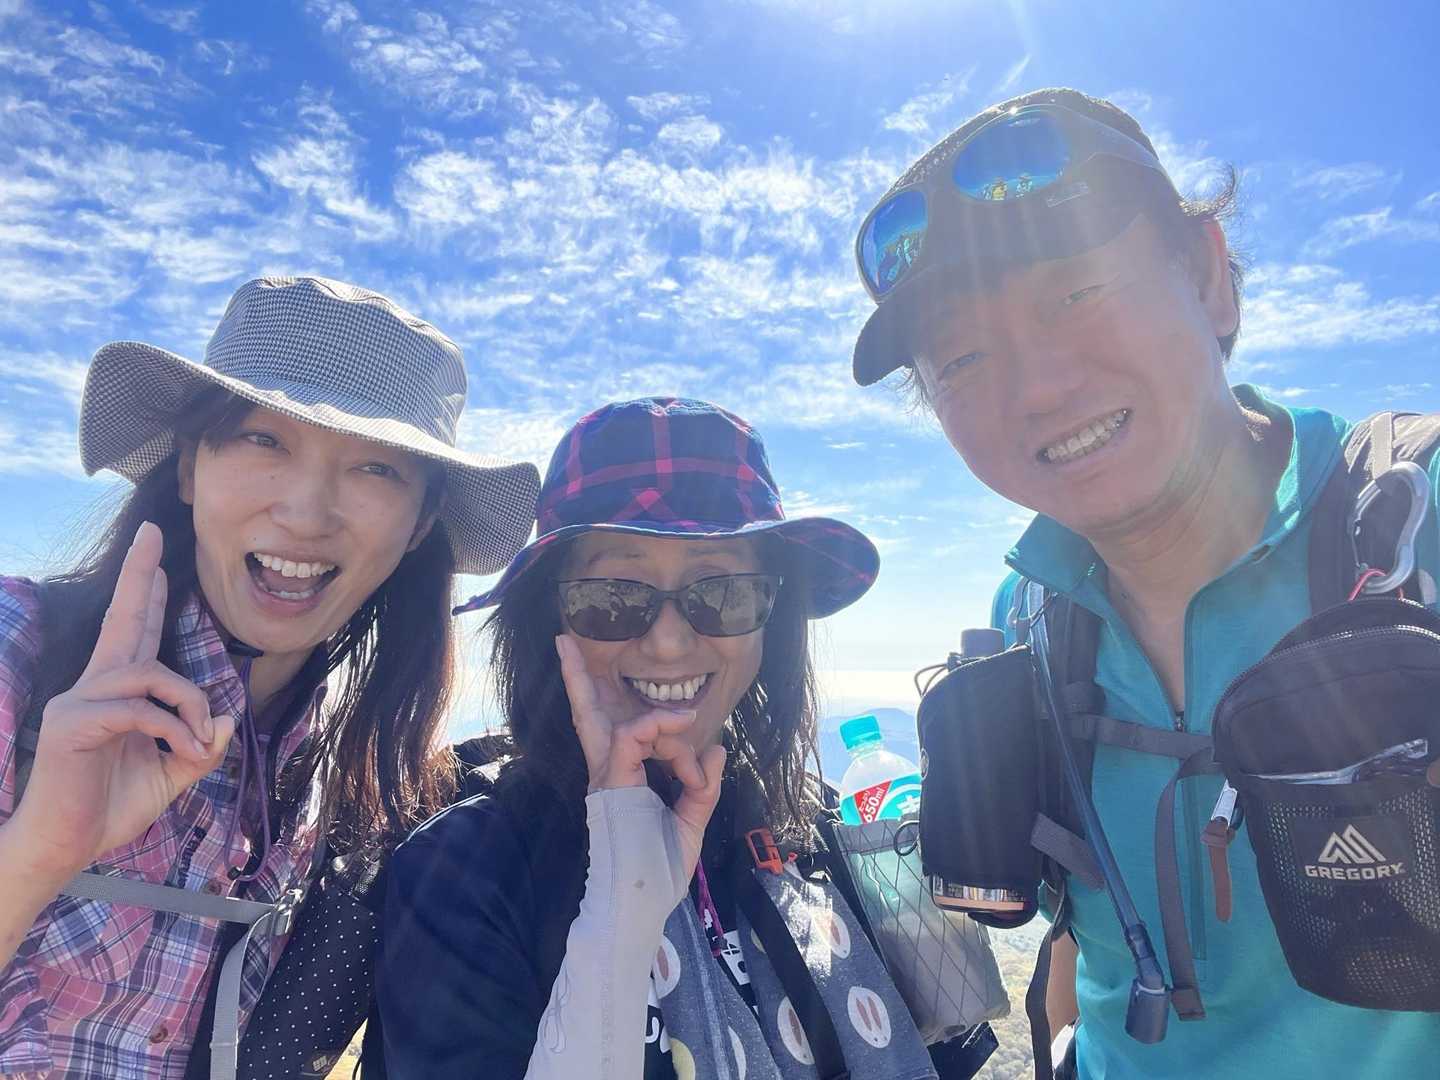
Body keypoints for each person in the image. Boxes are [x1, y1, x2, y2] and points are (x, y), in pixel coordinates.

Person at [849, 86, 1440, 1078]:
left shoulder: (1415, 526)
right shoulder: (1034, 613)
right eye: (963, 357)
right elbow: (1084, 938)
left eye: (1075, 295)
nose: (1039, 388)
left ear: (1208, 277)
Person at [0, 275, 540, 1078]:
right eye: (263, 440)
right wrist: (39, 853)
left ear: (419, 525)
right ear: (189, 468)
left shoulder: (349, 784)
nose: (306, 513)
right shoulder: (21, 656)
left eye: (376, 470)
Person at [379, 397, 984, 1080]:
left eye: (722, 593)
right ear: (551, 619)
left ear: (772, 618)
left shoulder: (815, 824)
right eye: (613, 596)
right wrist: (622, 900)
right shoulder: (467, 870)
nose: (668, 643)